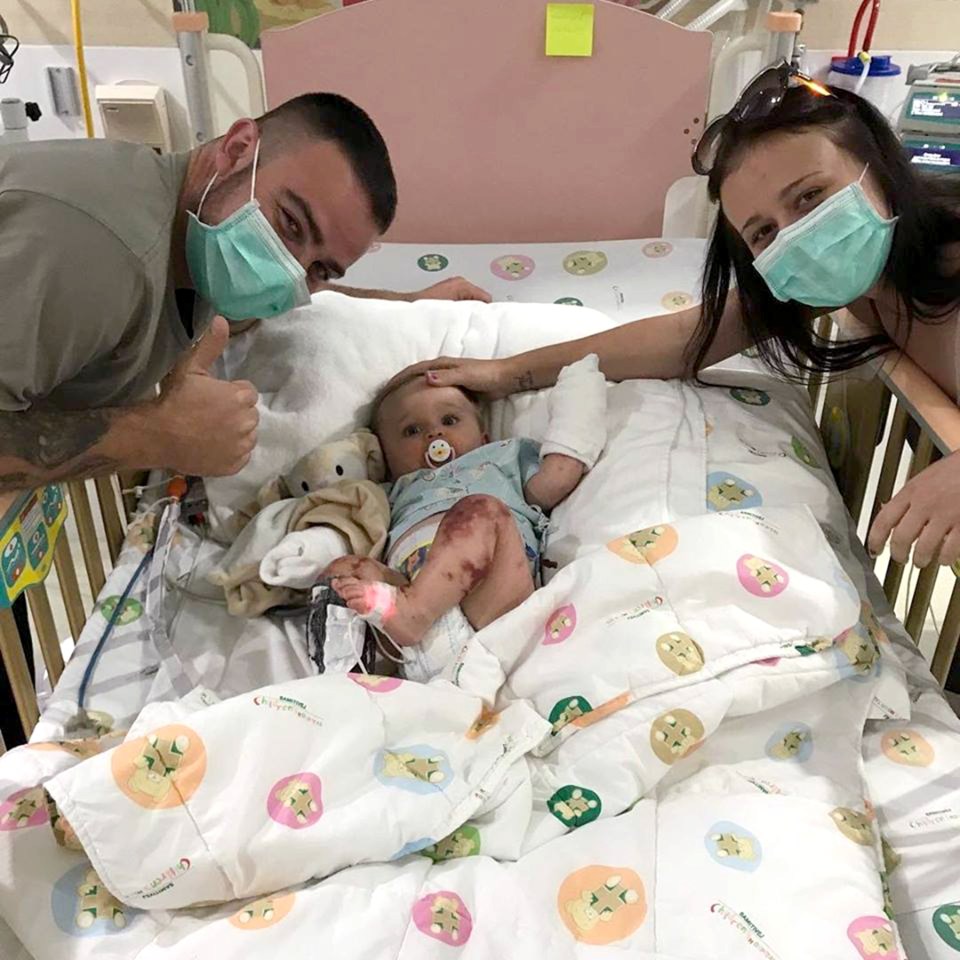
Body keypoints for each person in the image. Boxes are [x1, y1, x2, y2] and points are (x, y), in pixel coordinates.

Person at [394, 64, 960, 570]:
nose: (798, 237)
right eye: (763, 232)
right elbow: (686, 336)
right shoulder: (834, 284)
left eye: (811, 196)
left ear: (879, 167)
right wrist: (508, 373)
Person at [0, 92, 489, 497]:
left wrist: (410, 302)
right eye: (291, 224)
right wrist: (153, 436)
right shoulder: (95, 255)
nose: (287, 273)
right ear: (236, 149)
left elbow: (261, 307)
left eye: (319, 268)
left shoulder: (199, 242)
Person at [325, 356, 606, 681]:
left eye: (450, 419)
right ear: (385, 457)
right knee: (342, 573)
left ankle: (415, 613)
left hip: (493, 604)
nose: (434, 434)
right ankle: (348, 678)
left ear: (484, 437)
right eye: (411, 430)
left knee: (481, 512)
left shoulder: (502, 459)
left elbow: (558, 476)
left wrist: (579, 390)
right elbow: (343, 519)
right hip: (406, 606)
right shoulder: (390, 492)